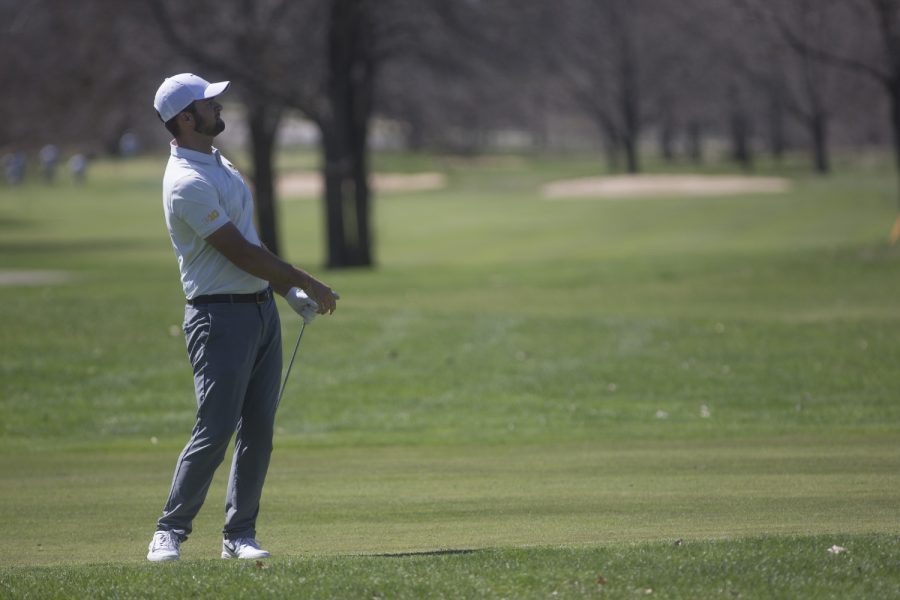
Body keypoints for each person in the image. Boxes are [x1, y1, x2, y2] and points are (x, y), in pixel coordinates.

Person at [147, 73, 338, 562]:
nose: (219, 105)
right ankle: (169, 530)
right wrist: (306, 280)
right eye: (209, 102)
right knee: (215, 428)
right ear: (186, 118)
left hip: (259, 312)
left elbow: (251, 243)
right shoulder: (185, 182)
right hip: (218, 319)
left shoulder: (217, 162)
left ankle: (239, 535)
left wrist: (286, 289)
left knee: (258, 429)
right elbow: (236, 253)